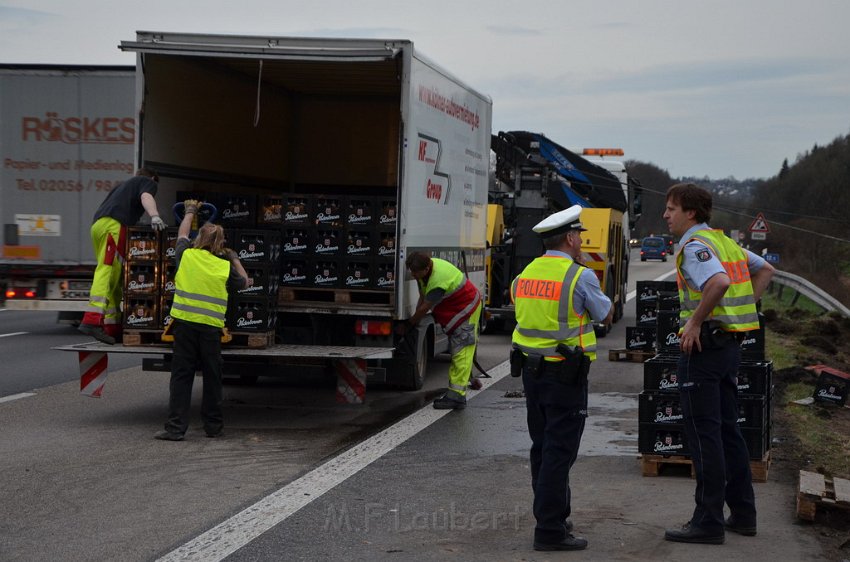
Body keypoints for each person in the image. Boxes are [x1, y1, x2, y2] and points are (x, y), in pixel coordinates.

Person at [662, 183, 775, 544]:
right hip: (727, 348)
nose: (666, 215)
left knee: (703, 436)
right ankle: (743, 514)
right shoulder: (724, 242)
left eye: (671, 209)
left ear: (690, 213)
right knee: (729, 432)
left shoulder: (696, 247)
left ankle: (707, 521)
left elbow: (719, 282)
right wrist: (736, 315)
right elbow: (765, 271)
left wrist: (695, 322)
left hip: (704, 352)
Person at [510, 205, 612, 552]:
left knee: (543, 448)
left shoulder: (524, 274)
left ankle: (554, 517)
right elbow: (604, 313)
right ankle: (550, 529)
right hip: (565, 376)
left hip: (531, 373)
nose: (581, 241)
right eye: (580, 235)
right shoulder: (578, 275)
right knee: (559, 452)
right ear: (570, 238)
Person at [154, 199, 251, 441]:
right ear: (221, 244)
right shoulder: (223, 265)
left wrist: (190, 212)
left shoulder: (185, 256)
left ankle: (175, 429)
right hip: (211, 330)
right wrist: (235, 257)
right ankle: (214, 427)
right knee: (213, 377)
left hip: (184, 326)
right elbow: (246, 282)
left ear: (199, 240)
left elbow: (183, 232)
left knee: (181, 376)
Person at [78, 168, 165, 344]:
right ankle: (91, 319)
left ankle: (113, 326)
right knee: (107, 270)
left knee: (115, 277)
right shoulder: (147, 182)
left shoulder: (122, 187)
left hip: (99, 225)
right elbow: (146, 197)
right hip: (113, 226)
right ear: (153, 178)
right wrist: (154, 216)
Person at [402, 252, 483, 409]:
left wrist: (410, 323)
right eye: (411, 271)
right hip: (457, 308)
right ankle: (464, 385)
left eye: (415, 272)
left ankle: (456, 397)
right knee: (460, 350)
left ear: (426, 269)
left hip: (466, 308)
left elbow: (426, 307)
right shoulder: (425, 273)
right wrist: (415, 319)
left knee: (461, 352)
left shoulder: (439, 279)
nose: (412, 274)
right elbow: (422, 298)